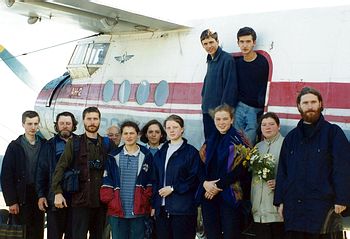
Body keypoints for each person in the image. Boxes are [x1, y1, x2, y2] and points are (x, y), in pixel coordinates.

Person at [274, 87, 350, 239]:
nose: (310, 106)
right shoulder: (291, 138)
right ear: (299, 106)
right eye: (306, 102)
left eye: (313, 102)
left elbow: (343, 168)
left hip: (323, 207)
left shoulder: (333, 133)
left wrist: (342, 199)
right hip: (294, 208)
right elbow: (283, 172)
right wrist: (280, 201)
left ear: (320, 104)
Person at [51, 106, 115, 239]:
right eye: (89, 119)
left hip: (101, 202)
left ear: (99, 121)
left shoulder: (107, 144)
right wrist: (57, 192)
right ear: (84, 121)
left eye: (95, 119)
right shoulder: (74, 143)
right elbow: (60, 167)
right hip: (80, 201)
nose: (92, 122)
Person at [198, 104, 250, 239]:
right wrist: (205, 183)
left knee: (230, 233)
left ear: (232, 120)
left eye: (225, 119)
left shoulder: (240, 140)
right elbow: (200, 165)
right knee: (212, 234)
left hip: (230, 194)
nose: (221, 123)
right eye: (218, 119)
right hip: (208, 194)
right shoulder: (210, 140)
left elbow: (242, 169)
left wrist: (218, 186)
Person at [100, 120, 153, 239]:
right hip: (117, 209)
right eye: (126, 133)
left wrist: (145, 199)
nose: (129, 136)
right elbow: (107, 181)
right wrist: (111, 201)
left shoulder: (147, 155)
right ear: (122, 135)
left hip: (138, 209)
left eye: (132, 133)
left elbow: (150, 181)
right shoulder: (113, 156)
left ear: (138, 135)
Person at [152, 114, 200, 239]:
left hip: (182, 210)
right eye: (168, 128)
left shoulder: (191, 152)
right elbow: (155, 180)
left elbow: (194, 179)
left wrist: (173, 188)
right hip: (162, 210)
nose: (172, 130)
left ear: (182, 129)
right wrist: (154, 204)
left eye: (175, 127)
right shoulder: (160, 152)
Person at [1, 110, 46, 239]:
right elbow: (6, 176)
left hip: (39, 194)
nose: (33, 127)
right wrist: (11, 201)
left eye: (36, 123)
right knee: (21, 232)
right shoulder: (15, 146)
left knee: (38, 231)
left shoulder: (44, 145)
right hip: (21, 195)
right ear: (23, 124)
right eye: (29, 123)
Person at [36, 111, 78, 239]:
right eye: (62, 123)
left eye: (68, 123)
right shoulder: (49, 145)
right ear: (57, 126)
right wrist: (41, 195)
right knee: (54, 235)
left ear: (73, 125)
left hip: (77, 198)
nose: (65, 126)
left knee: (73, 235)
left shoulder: (80, 143)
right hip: (54, 198)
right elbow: (41, 171)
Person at [251, 112, 284, 239]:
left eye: (271, 124)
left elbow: (295, 175)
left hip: (277, 211)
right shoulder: (257, 148)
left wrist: (279, 183)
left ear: (279, 126)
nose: (267, 127)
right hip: (259, 212)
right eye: (264, 125)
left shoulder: (286, 145)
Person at [200, 29, 238, 140]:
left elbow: (230, 88)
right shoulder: (210, 60)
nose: (209, 46)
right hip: (207, 111)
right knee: (209, 143)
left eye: (211, 42)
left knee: (220, 144)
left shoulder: (227, 59)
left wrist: (223, 114)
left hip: (219, 114)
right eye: (205, 44)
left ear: (217, 41)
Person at [234, 27, 269, 146]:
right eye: (242, 42)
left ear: (254, 42)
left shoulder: (263, 63)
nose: (245, 45)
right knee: (235, 141)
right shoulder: (237, 63)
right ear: (238, 43)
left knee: (249, 142)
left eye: (248, 41)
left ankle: (247, 165)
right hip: (239, 106)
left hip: (255, 110)